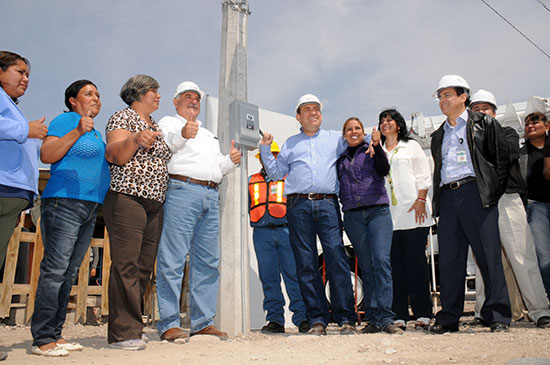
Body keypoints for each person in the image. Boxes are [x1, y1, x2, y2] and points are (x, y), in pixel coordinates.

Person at [260, 94, 357, 336]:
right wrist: (264, 149)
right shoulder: (290, 144)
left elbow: (358, 143)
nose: (314, 113)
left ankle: (346, 318)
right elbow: (275, 174)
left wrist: (373, 138)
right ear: (298, 116)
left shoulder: (336, 139)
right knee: (305, 264)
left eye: (317, 109)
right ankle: (317, 320)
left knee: (337, 259)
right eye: (308, 109)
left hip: (327, 205)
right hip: (298, 206)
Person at [30, 80, 111, 357]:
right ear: (72, 100)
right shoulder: (66, 121)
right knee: (54, 270)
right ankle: (42, 338)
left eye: (98, 95)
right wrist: (77, 130)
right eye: (89, 93)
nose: (96, 98)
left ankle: (55, 333)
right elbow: (47, 153)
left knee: (69, 272)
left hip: (89, 208)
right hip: (64, 202)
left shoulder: (95, 132)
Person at [155, 81, 240, 341]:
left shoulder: (208, 133)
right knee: (173, 259)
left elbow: (215, 166)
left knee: (208, 261)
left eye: (197, 98)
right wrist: (183, 132)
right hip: (181, 190)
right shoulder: (168, 123)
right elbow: (166, 146)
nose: (193, 101)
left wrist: (230, 161)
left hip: (210, 194)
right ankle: (169, 323)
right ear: (176, 101)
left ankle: (203, 322)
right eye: (188, 97)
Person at [427, 75, 511, 334]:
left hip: (476, 194)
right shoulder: (438, 135)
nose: (442, 100)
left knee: (488, 256)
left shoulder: (484, 123)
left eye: (447, 94)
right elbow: (438, 170)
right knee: (451, 260)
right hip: (449, 198)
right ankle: (449, 317)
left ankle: (497, 315)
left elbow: (502, 161)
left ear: (463, 96)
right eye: (440, 96)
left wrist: (490, 194)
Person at [469, 90, 550, 328]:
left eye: (485, 108)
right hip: (480, 202)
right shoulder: (466, 138)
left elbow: (506, 155)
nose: (481, 112)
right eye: (476, 109)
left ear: (494, 113)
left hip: (507, 198)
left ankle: (540, 310)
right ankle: (483, 312)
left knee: (522, 256)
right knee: (484, 259)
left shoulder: (507, 133)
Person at [104, 75, 172, 350]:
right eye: (154, 91)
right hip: (127, 199)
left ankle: (134, 325)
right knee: (126, 264)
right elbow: (115, 154)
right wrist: (134, 139)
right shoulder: (122, 118)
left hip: (155, 203)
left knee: (144, 266)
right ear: (139, 93)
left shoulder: (155, 124)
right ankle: (122, 333)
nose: (158, 96)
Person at [0, 50, 46, 363]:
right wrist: (24, 130)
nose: (25, 79)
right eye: (19, 72)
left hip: (12, 194)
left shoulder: (12, 108)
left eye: (28, 74)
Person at [337, 117, 402, 334]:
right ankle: (373, 319)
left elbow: (384, 170)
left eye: (357, 128)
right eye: (349, 129)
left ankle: (386, 317)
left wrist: (376, 146)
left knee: (381, 262)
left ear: (363, 132)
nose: (353, 132)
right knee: (366, 266)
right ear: (344, 134)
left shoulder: (372, 149)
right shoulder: (340, 158)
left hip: (377, 212)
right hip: (354, 217)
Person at [378, 108, 434, 330]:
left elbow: (423, 174)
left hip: (414, 212)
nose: (385, 123)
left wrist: (421, 199)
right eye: (382, 120)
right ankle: (399, 313)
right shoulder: (377, 149)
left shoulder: (411, 146)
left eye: (389, 120)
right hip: (388, 217)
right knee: (395, 267)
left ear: (399, 125)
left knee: (416, 264)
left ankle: (423, 312)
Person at [248, 141, 308, 334]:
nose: (270, 159)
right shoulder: (251, 180)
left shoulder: (287, 178)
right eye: (267, 156)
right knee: (269, 278)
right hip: (261, 233)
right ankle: (275, 320)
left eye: (274, 155)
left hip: (286, 231)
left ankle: (302, 318)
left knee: (293, 276)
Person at [520, 111, 550, 300]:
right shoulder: (521, 154)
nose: (530, 126)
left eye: (535, 122)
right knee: (544, 256)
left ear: (547, 126)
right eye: (527, 124)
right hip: (535, 206)